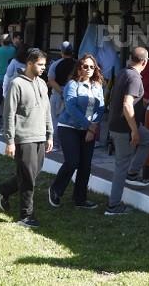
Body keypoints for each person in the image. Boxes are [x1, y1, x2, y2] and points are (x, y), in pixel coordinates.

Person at [0, 48, 53, 228]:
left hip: (41, 136)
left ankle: (3, 189)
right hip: (23, 137)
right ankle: (26, 215)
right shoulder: (16, 83)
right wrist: (10, 140)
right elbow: (9, 113)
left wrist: (50, 134)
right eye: (40, 64)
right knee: (28, 178)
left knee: (33, 174)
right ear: (29, 63)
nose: (43, 68)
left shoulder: (43, 84)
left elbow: (47, 110)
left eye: (44, 65)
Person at [48, 54, 105, 209]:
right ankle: (55, 190)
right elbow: (71, 108)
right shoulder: (72, 85)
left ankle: (80, 199)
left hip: (89, 129)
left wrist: (92, 128)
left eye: (92, 67)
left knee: (85, 165)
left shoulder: (97, 86)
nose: (88, 70)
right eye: (85, 66)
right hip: (69, 128)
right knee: (73, 161)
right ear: (79, 67)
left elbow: (100, 108)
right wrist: (89, 125)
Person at [105, 47, 149, 216]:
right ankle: (113, 206)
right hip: (124, 127)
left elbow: (124, 99)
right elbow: (127, 104)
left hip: (118, 124)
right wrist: (134, 130)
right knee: (121, 166)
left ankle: (133, 173)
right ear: (144, 62)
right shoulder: (134, 77)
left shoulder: (124, 72)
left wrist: (142, 101)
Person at [47, 41, 76, 139]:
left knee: (55, 119)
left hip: (58, 94)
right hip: (74, 95)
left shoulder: (55, 64)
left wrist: (62, 92)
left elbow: (51, 81)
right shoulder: (77, 64)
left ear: (61, 52)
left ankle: (55, 142)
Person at [0, 34, 17, 127]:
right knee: (7, 102)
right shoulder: (13, 50)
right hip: (9, 78)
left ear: (1, 41)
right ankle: (6, 123)